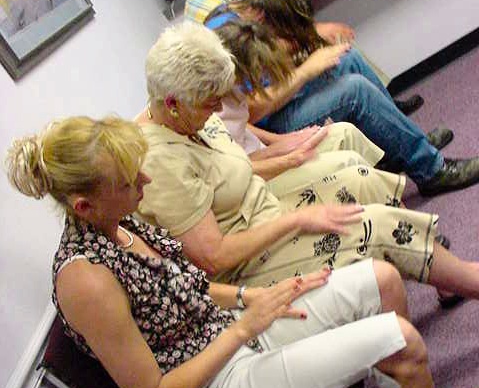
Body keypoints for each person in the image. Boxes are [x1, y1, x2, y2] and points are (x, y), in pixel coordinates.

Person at [7, 115, 479, 388]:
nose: (145, 184)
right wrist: (243, 328)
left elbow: (187, 286)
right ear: (84, 205)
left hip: (230, 336)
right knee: (401, 343)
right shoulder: (85, 281)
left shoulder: (117, 220)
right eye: (131, 182)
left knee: (382, 280)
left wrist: (251, 295)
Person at [137, 22, 479, 308]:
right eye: (211, 104)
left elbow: (232, 164)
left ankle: (439, 270)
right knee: (375, 226)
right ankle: (463, 277)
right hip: (247, 260)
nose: (217, 111)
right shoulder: (160, 162)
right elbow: (215, 257)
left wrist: (285, 149)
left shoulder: (186, 112)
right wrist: (296, 219)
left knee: (360, 177)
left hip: (265, 206)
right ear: (173, 103)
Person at [206, 6, 479, 196]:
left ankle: (402, 146)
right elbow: (252, 112)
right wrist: (305, 71)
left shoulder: (227, 12)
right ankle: (432, 171)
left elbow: (242, 115)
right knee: (354, 90)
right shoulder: (218, 53)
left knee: (348, 60)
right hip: (273, 120)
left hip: (272, 115)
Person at [182, 0, 424, 116]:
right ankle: (387, 114)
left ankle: (389, 112)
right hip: (265, 102)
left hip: (266, 81)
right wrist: (308, 36)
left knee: (342, 54)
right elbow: (258, 58)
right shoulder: (210, 12)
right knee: (331, 54)